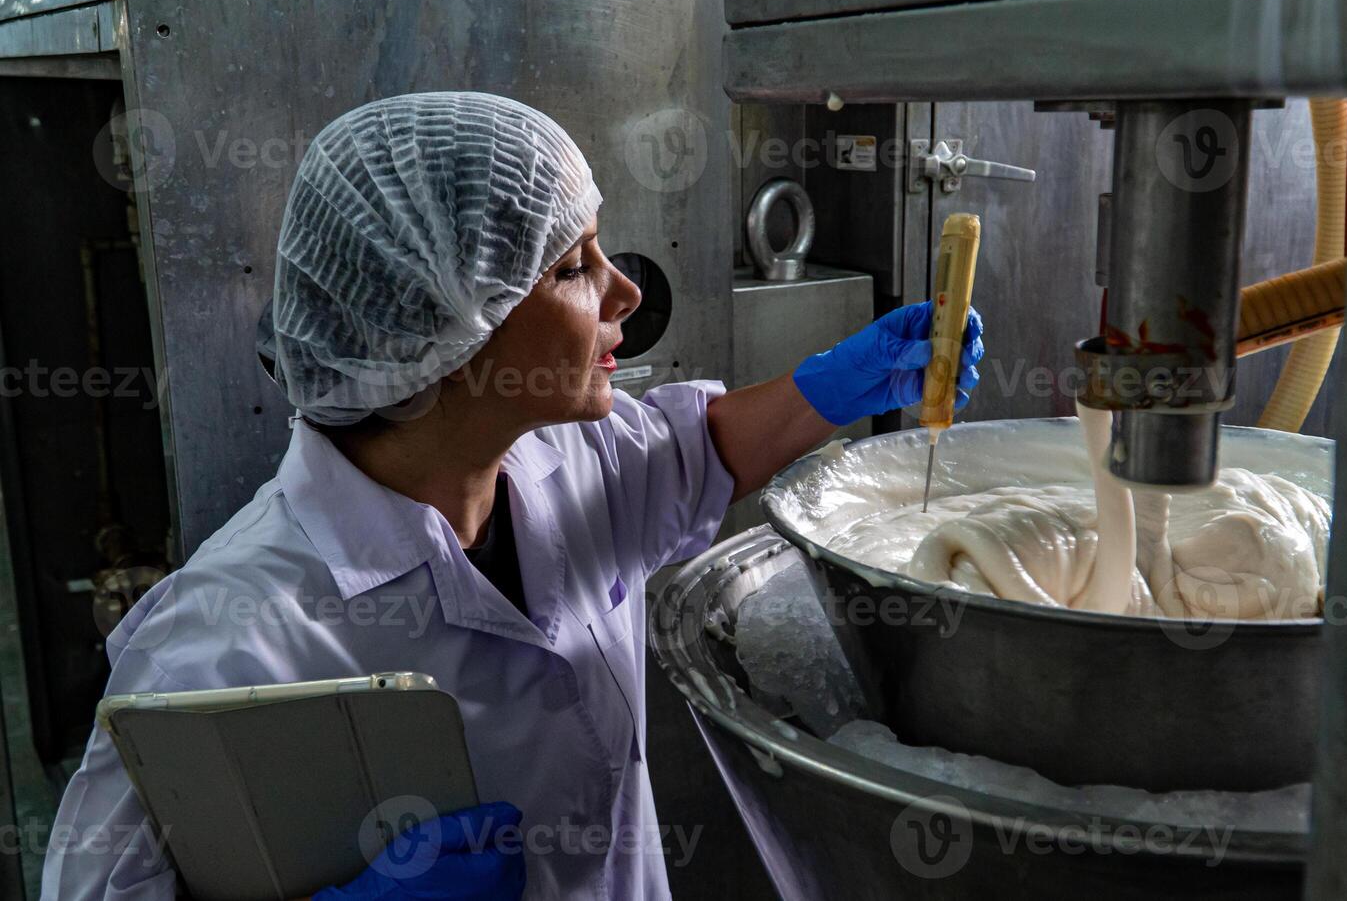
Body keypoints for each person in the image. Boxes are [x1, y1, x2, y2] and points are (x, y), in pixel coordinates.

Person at [41, 92, 983, 900]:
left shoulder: (554, 466)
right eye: (574, 266)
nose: (623, 293)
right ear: (446, 335)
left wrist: (838, 385)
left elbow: (694, 453)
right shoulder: (224, 641)